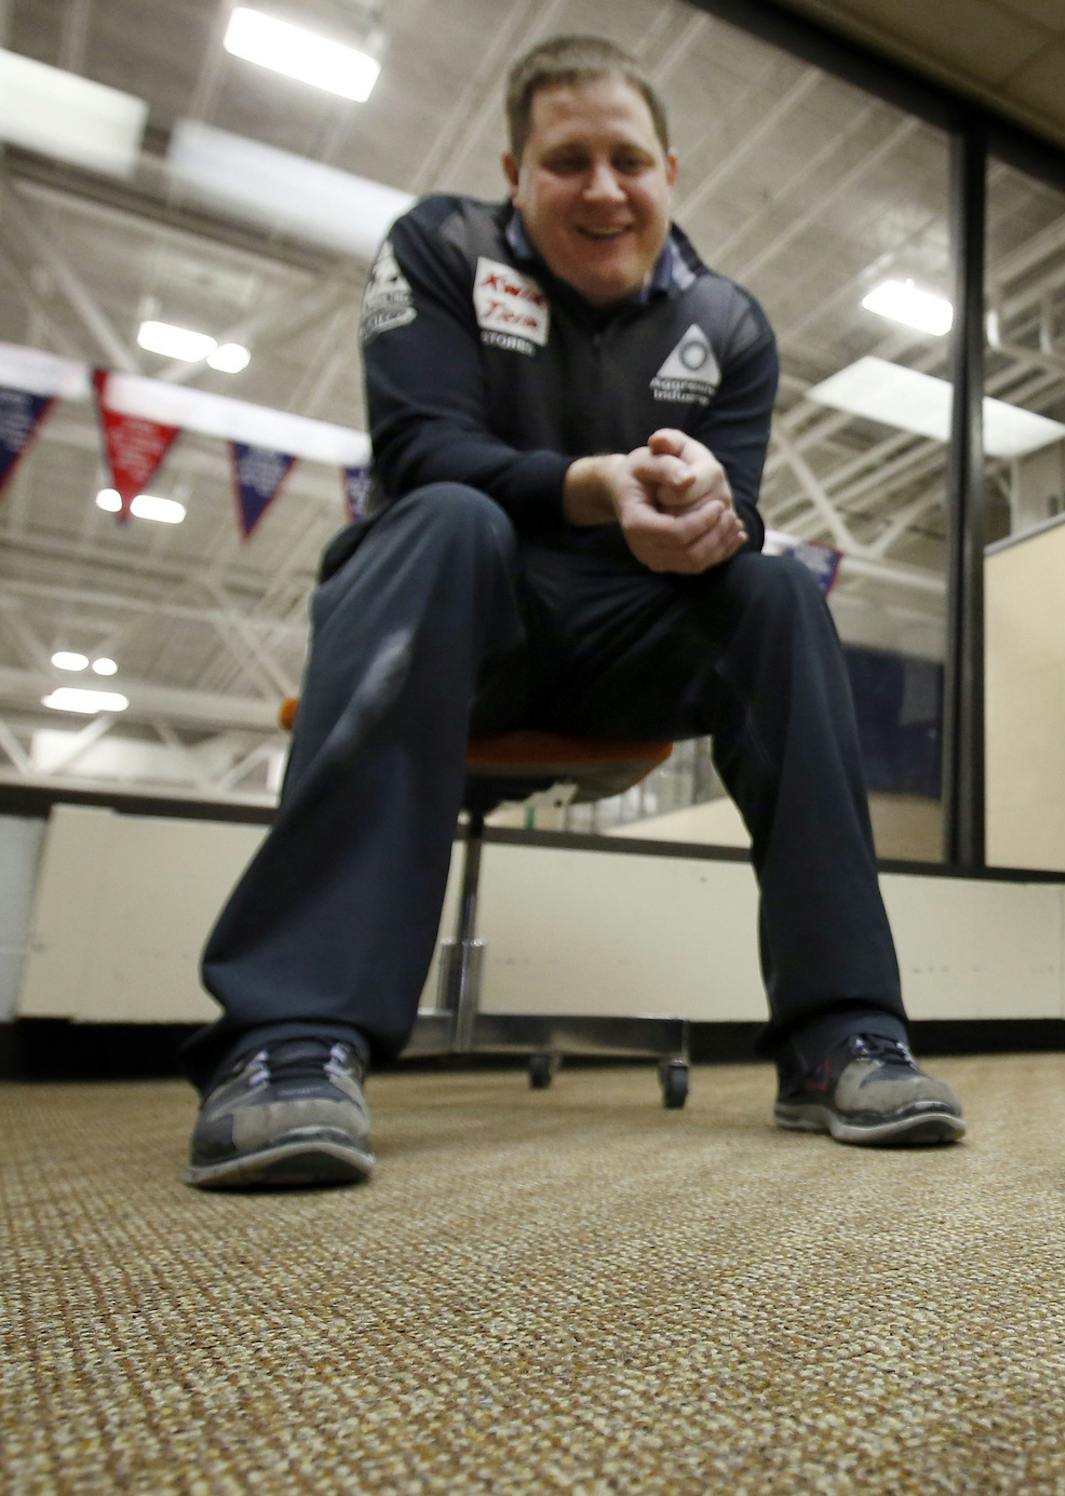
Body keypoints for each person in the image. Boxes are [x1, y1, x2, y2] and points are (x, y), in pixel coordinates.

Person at [181, 35, 963, 1190]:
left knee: (779, 590)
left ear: (671, 174)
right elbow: (418, 447)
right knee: (452, 517)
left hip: (623, 640)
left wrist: (709, 510)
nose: (604, 188)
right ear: (515, 172)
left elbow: (731, 509)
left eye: (629, 160)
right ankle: (288, 1038)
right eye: (568, 161)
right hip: (456, 616)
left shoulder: (729, 323)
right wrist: (591, 486)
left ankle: (842, 1032)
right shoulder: (440, 247)